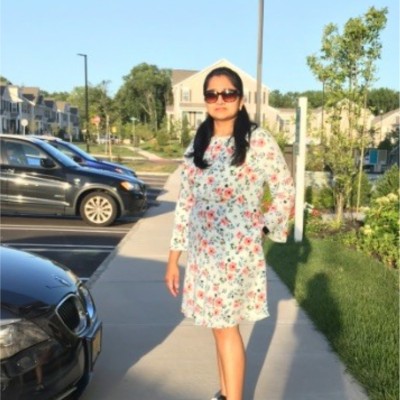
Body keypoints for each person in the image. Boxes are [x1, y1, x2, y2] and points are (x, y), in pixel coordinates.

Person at [165, 66, 295, 400]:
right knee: (217, 326)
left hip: (235, 252)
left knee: (226, 327)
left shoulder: (257, 140)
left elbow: (284, 189)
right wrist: (174, 258)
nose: (220, 100)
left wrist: (264, 226)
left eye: (228, 93)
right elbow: (186, 202)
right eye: (212, 94)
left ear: (240, 99)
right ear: (205, 100)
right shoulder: (199, 143)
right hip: (203, 252)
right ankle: (225, 393)